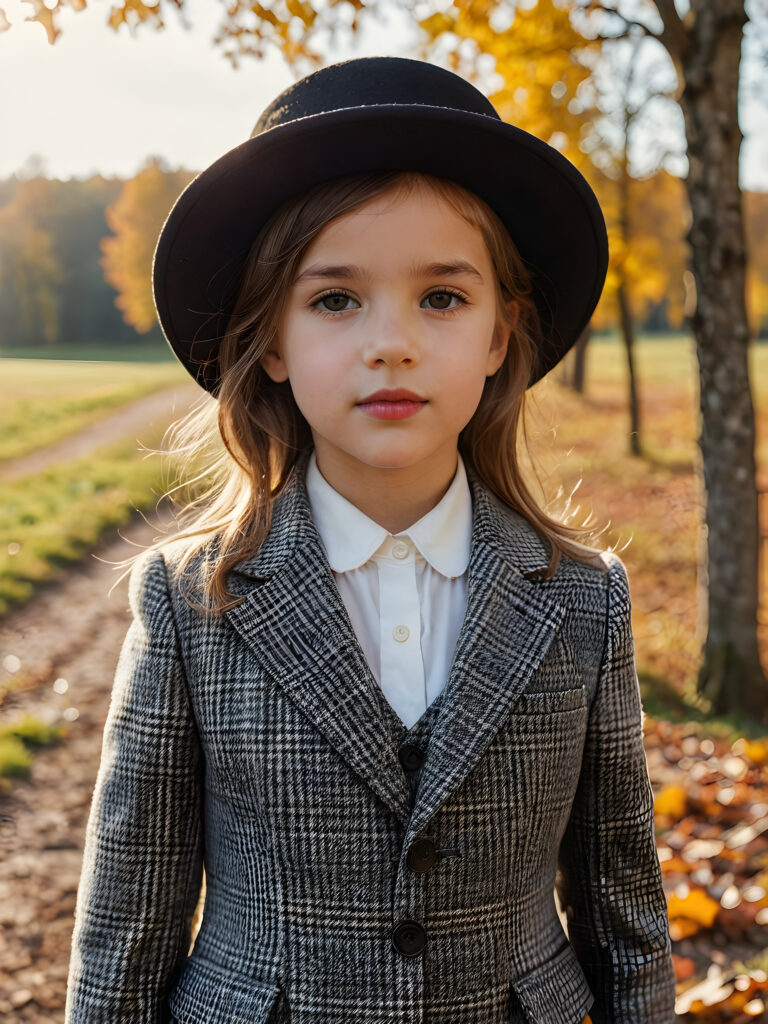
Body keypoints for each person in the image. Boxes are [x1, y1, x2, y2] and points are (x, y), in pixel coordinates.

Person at [64, 56, 676, 1024]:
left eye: (442, 297)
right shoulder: (188, 599)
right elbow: (127, 928)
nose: (390, 342)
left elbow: (624, 913)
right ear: (270, 341)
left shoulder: (582, 596)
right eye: (335, 299)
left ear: (499, 336)